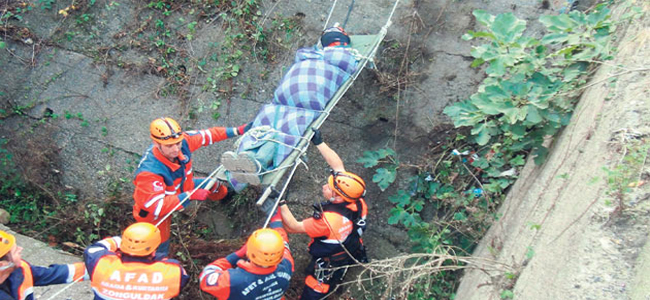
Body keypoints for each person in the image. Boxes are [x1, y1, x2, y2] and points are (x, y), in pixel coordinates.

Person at [133, 117, 252, 257]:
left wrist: (237, 130)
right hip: (154, 214)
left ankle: (228, 197)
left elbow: (208, 135)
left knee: (212, 185)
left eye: (177, 143)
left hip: (183, 187)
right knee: (158, 245)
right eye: (170, 146)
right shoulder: (150, 172)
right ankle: (159, 264)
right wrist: (190, 196)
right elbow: (156, 206)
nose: (176, 149)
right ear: (156, 144)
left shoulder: (183, 142)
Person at [279, 129, 368, 300]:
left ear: (337, 196)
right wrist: (319, 142)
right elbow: (338, 166)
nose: (324, 186)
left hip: (330, 259)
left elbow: (293, 226)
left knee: (316, 287)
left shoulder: (328, 221)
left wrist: (280, 203)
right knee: (346, 256)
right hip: (352, 243)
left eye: (329, 188)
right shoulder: (355, 198)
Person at [199, 208, 294, 299]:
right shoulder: (287, 265)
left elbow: (205, 277)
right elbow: (283, 242)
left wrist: (235, 256)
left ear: (248, 252)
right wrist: (276, 219)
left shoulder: (233, 281)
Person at [83, 222, 189, 300]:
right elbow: (182, 276)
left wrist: (118, 240)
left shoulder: (102, 264)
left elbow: (94, 249)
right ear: (154, 249)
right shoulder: (171, 272)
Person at [0, 230, 87, 300]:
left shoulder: (21, 269)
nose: (20, 249)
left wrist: (91, 267)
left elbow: (51, 274)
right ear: (2, 265)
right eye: (15, 251)